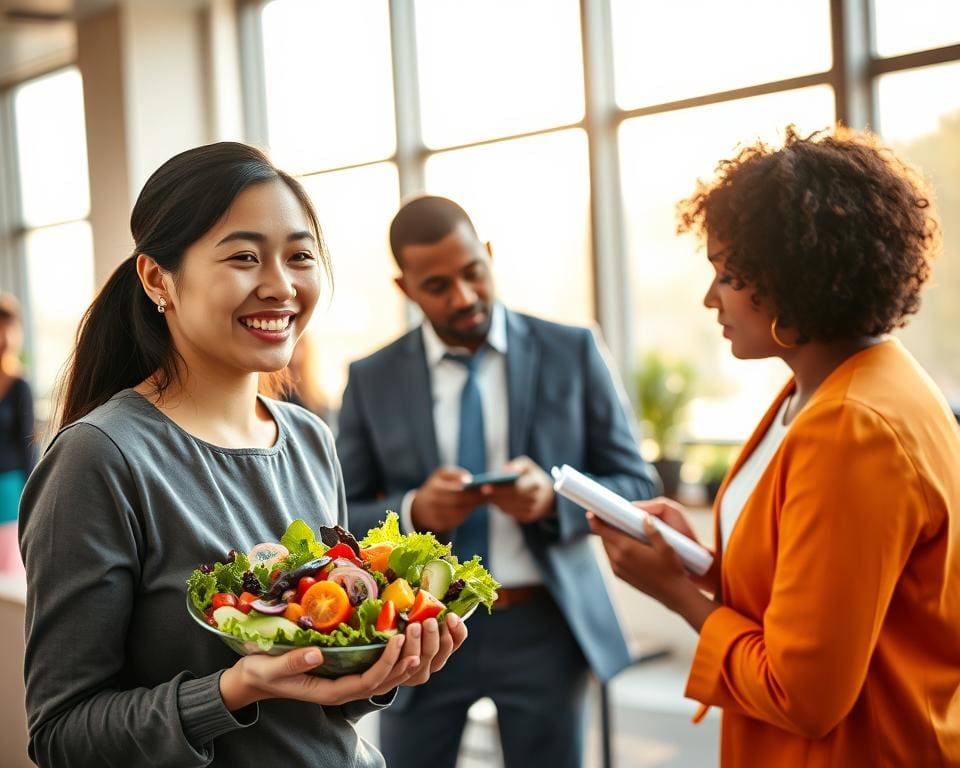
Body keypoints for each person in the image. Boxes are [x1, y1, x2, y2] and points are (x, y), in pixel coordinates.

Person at [17, 143, 467, 768]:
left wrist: (378, 670)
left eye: (300, 257)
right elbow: (62, 734)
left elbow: (316, 703)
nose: (280, 286)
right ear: (156, 278)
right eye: (244, 257)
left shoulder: (309, 439)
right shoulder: (100, 457)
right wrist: (236, 689)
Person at [589, 126, 960, 767]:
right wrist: (698, 561)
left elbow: (803, 693)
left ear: (797, 281)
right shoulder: (828, 389)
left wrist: (677, 596)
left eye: (728, 275)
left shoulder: (854, 426)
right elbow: (823, 583)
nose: (712, 298)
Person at [336, 195, 659, 768]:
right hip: (418, 628)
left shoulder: (572, 350)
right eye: (437, 286)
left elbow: (637, 484)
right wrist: (414, 512)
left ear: (488, 255)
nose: (462, 297)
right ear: (405, 287)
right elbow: (338, 515)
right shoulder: (370, 378)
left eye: (472, 273)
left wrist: (554, 501)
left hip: (545, 628)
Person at [0, 293, 35, 574]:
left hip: (8, 489)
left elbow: (27, 447)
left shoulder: (19, 387)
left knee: (8, 574)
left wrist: (34, 497)